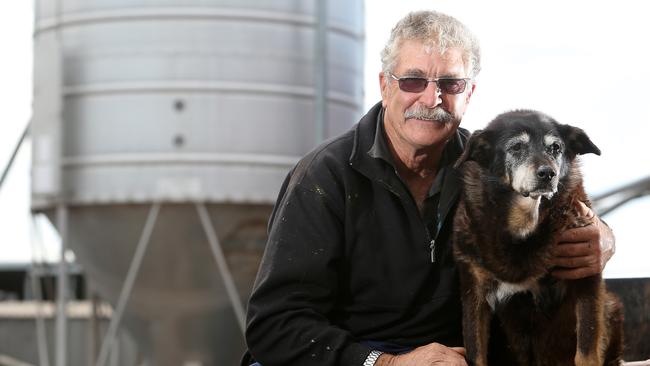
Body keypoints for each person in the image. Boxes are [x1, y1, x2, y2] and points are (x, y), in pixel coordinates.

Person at [242, 10, 615, 366]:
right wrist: (385, 363)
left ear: (468, 94)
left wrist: (603, 238)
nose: (431, 99)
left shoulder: (492, 168)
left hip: (452, 356)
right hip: (354, 356)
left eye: (450, 84)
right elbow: (274, 325)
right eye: (413, 81)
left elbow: (565, 210)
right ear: (385, 86)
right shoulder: (325, 177)